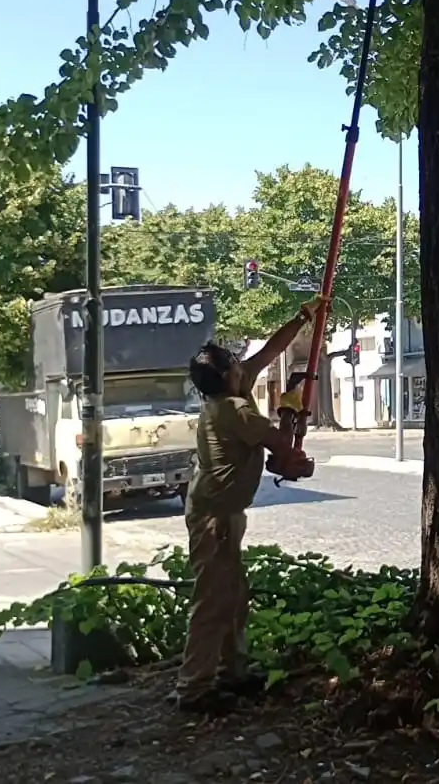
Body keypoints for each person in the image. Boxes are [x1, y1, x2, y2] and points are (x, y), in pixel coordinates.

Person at [174, 296, 325, 713]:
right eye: (238, 364)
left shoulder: (229, 391)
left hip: (219, 512)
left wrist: (303, 317)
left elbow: (270, 351)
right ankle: (194, 688)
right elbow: (281, 449)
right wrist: (289, 413)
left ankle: (230, 673)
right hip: (214, 518)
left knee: (233, 595)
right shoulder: (235, 409)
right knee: (213, 599)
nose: (247, 365)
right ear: (229, 375)